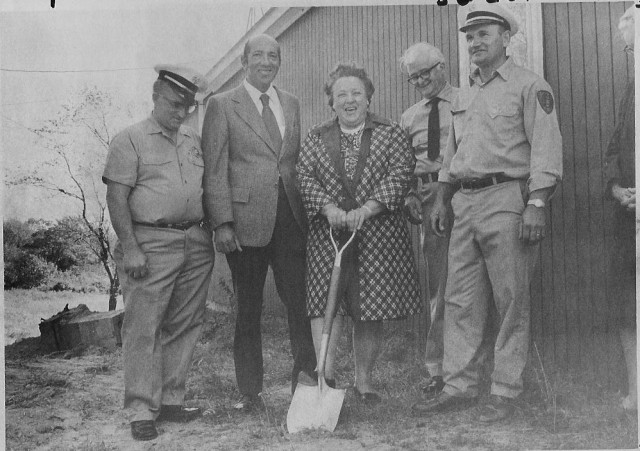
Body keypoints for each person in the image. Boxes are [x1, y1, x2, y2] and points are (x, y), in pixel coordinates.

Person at [411, 4, 562, 422]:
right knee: (460, 299)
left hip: (506, 200)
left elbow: (546, 149)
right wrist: (442, 197)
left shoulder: (530, 86)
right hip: (464, 202)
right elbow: (452, 154)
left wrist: (536, 203)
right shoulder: (465, 93)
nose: (475, 43)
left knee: (511, 297)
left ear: (505, 37)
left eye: (484, 34)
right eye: (470, 36)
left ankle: (506, 390)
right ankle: (459, 385)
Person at [201, 34, 316, 411]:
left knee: (300, 304)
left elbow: (292, 163)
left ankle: (308, 382)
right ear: (243, 61)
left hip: (290, 223)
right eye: (258, 55)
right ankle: (251, 393)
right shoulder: (222, 105)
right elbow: (214, 169)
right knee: (248, 310)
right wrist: (222, 223)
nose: (266, 61)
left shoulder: (291, 104)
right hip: (245, 224)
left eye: (273, 55)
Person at [297, 62, 422, 403]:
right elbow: (304, 176)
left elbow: (400, 174)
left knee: (371, 306)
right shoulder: (316, 136)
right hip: (330, 234)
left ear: (368, 98)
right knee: (327, 304)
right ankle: (328, 376)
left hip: (378, 233)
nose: (349, 100)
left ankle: (364, 381)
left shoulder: (391, 132)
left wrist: (367, 209)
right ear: (331, 102)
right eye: (341, 95)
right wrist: (331, 210)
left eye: (356, 93)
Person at [103, 65, 213, 441]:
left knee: (185, 322)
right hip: (149, 242)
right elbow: (116, 197)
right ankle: (140, 408)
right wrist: (131, 247)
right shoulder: (129, 139)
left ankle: (170, 400)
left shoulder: (192, 140)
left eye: (187, 106)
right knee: (143, 326)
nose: (180, 112)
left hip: (195, 242)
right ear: (155, 96)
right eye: (173, 103)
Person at [399, 42, 458, 398]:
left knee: (467, 285)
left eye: (425, 72)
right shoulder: (409, 117)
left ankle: (473, 365)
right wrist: (409, 195)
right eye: (414, 77)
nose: (421, 80)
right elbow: (405, 166)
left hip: (462, 194)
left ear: (442, 65)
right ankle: (437, 369)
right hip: (427, 196)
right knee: (437, 286)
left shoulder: (467, 102)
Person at [604, 5, 636, 412]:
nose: (634, 57)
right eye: (630, 51)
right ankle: (636, 391)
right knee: (630, 305)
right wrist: (614, 187)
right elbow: (613, 149)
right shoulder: (633, 91)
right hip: (629, 216)